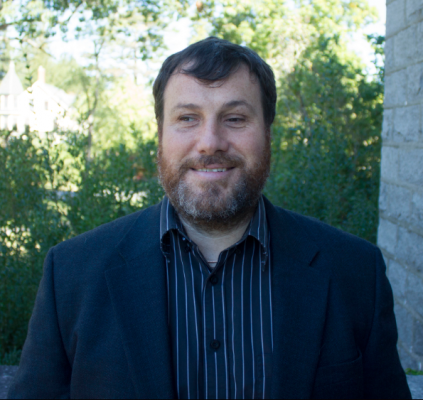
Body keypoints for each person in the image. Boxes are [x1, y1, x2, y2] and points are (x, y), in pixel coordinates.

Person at [8, 37, 411, 399]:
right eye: (187, 118)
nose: (210, 143)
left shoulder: (355, 273)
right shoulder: (73, 273)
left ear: (268, 134)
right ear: (160, 137)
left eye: (235, 118)